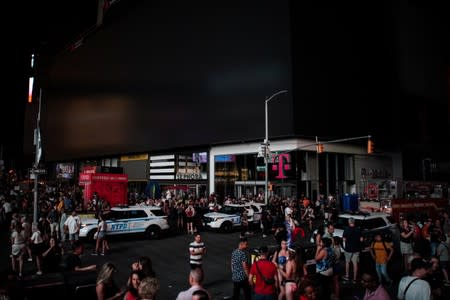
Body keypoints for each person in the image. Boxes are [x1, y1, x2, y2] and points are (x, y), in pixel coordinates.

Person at [342, 217, 363, 282]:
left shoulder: (346, 229)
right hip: (356, 249)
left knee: (347, 262)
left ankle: (347, 276)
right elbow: (361, 239)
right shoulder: (358, 229)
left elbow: (344, 239)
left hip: (348, 249)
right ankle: (354, 278)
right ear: (354, 222)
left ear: (349, 222)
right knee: (355, 263)